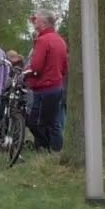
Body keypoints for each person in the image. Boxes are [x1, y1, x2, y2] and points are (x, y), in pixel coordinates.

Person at [23, 9, 68, 152]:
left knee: (34, 122)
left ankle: (46, 146)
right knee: (54, 121)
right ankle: (55, 150)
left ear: (43, 23)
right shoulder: (60, 40)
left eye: (36, 20)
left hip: (44, 88)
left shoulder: (43, 40)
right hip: (57, 86)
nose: (34, 21)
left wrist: (27, 74)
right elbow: (64, 67)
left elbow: (36, 66)